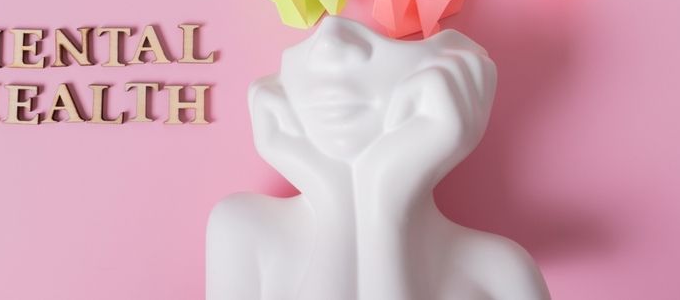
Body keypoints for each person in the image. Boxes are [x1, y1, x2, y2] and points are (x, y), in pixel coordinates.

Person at [207, 16, 550, 300]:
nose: (329, 42)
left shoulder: (501, 273)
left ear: (460, 84)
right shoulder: (243, 228)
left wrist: (378, 202)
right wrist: (337, 198)